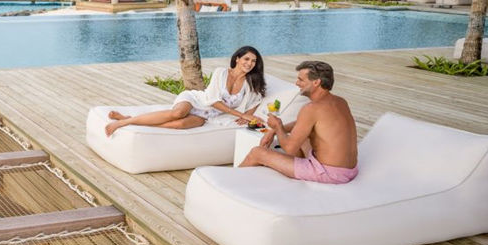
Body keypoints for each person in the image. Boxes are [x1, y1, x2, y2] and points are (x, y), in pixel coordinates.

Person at [105, 46, 267, 137]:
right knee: (178, 113)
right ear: (237, 59)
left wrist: (247, 116)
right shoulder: (221, 72)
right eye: (246, 59)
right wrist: (241, 115)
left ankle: (132, 120)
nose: (250, 63)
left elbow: (257, 99)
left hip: (208, 115)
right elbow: (213, 101)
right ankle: (122, 123)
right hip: (196, 100)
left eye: (253, 61)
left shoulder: (251, 83)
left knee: (181, 124)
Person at [240, 60, 358, 184]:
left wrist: (278, 126)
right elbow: (303, 124)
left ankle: (231, 183)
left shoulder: (311, 108)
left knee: (257, 153)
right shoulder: (340, 101)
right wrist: (273, 131)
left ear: (316, 82)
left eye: (301, 80)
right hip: (349, 170)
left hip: (329, 173)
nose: (297, 83)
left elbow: (289, 149)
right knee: (304, 137)